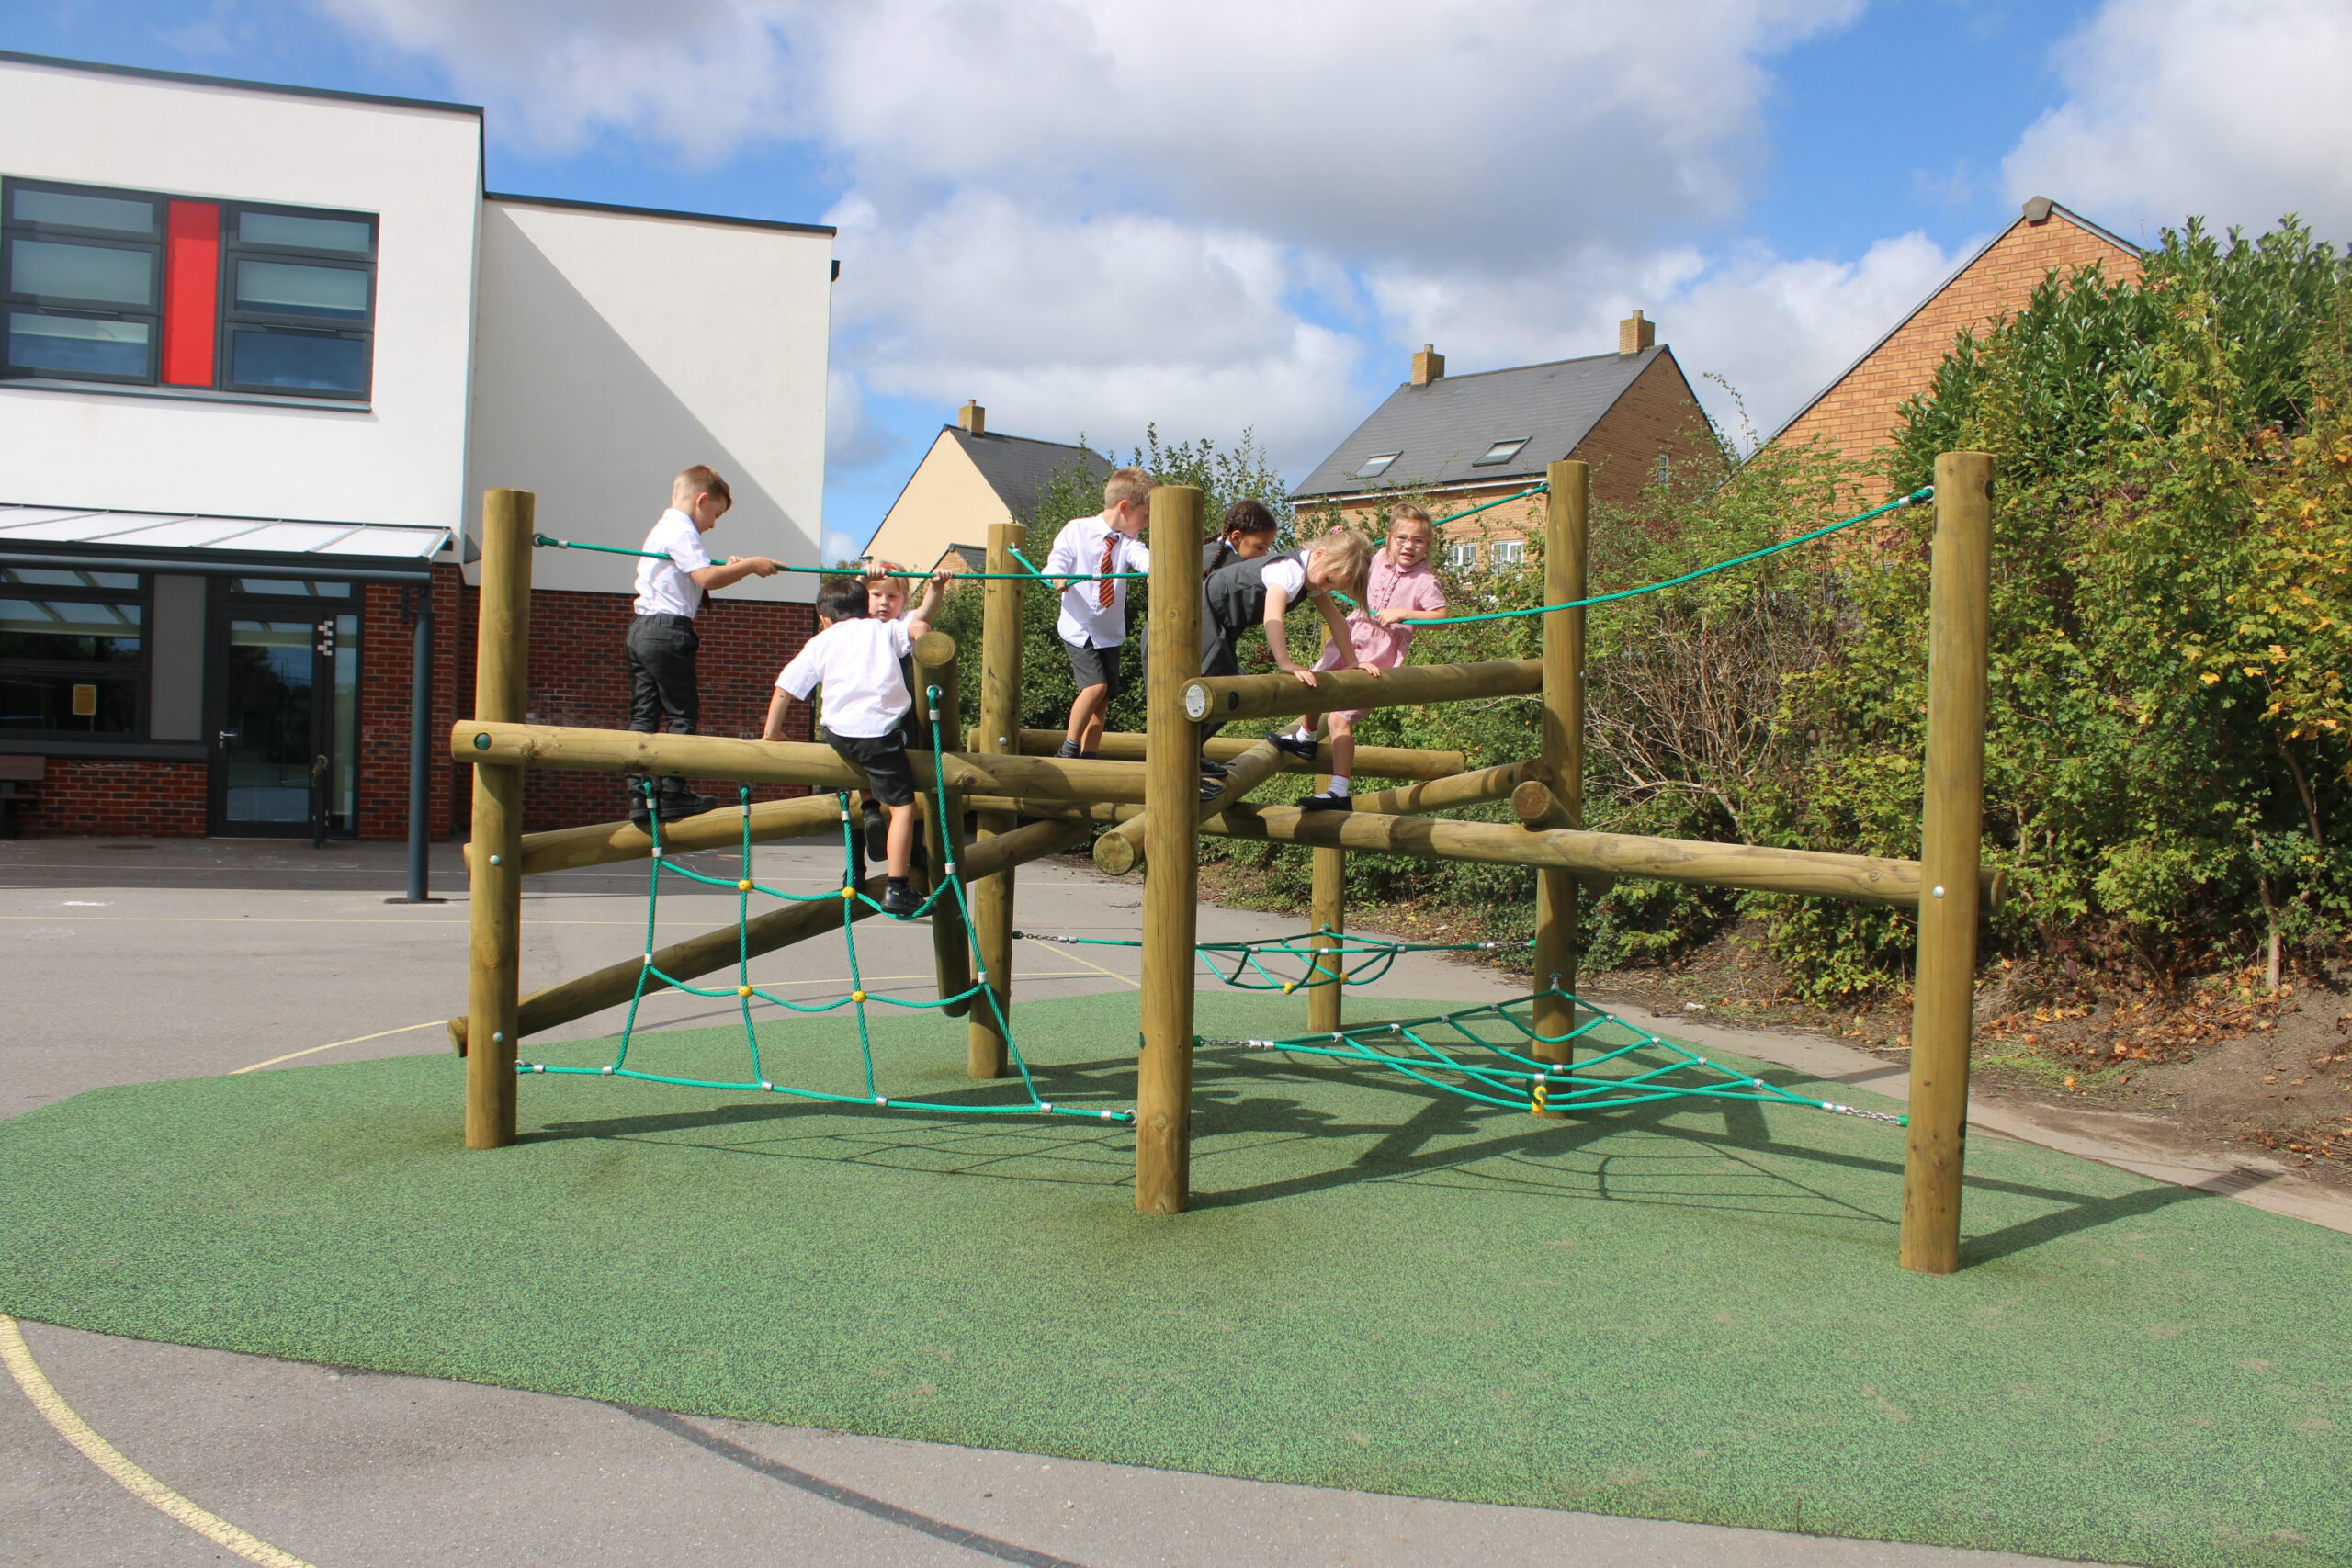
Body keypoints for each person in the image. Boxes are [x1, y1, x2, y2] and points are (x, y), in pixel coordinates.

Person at [625, 464, 780, 825]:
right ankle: (675, 792)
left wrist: (730, 567)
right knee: (681, 714)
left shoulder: (662, 529)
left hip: (641, 629)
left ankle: (640, 794)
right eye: (715, 513)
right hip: (667, 630)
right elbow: (706, 576)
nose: (712, 523)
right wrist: (752, 565)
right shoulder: (682, 529)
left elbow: (697, 581)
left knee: (644, 715)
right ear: (701, 500)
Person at [763, 577, 926, 918]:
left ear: (824, 617)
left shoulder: (820, 641)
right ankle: (898, 887)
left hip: (837, 733)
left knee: (860, 766)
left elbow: (785, 686)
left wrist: (772, 733)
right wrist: (925, 640)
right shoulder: (881, 630)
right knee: (904, 809)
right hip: (879, 732)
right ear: (864, 607)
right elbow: (917, 625)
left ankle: (868, 809)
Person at [1273, 506, 1450, 810]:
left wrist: (1404, 614)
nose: (1409, 546)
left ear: (1428, 545)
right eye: (1402, 538)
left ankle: (1339, 790)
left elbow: (1442, 618)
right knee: (1315, 681)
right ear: (1389, 538)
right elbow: (1354, 553)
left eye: (1419, 541)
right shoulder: (1379, 558)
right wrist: (1336, 538)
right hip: (1352, 635)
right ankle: (1306, 737)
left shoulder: (1425, 581)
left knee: (1340, 717)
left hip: (1380, 651)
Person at [1201, 528, 1376, 800]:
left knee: (1233, 688)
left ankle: (1193, 755)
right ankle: (1188, 769)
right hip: (1203, 616)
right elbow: (1273, 614)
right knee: (1216, 689)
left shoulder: (1313, 577)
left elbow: (1337, 620)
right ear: (1319, 555)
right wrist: (1285, 662)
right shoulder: (1289, 571)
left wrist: (1352, 662)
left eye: (1333, 586)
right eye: (1328, 579)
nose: (1326, 588)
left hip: (1221, 624)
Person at [1043, 466, 1154, 759]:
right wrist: (1057, 577)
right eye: (1144, 516)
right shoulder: (1077, 530)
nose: (1146, 523)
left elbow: (1144, 559)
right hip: (1079, 627)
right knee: (1095, 686)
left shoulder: (1128, 542)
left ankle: (1090, 755)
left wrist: (1162, 566)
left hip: (1109, 632)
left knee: (1103, 698)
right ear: (1125, 507)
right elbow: (1055, 563)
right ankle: (1068, 747)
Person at [856, 559, 948, 861]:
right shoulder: (855, 625)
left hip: (897, 711)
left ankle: (912, 846)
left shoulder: (900, 626)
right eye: (876, 595)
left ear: (903, 602)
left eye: (893, 597)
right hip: (864, 709)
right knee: (861, 771)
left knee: (908, 768)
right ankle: (867, 829)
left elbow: (924, 616)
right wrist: (860, 579)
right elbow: (848, 599)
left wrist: (936, 586)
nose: (884, 603)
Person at [1202, 498, 1280, 577]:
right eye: (1260, 548)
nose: (1264, 555)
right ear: (1236, 538)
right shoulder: (1240, 573)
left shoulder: (1200, 552)